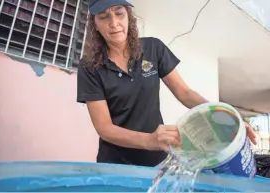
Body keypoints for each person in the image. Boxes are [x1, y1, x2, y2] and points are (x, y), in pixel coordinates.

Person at [76, 0, 257, 167]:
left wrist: (226, 115)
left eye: (119, 13)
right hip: (115, 165)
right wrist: (150, 140)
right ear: (95, 25)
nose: (114, 23)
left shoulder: (153, 48)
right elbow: (104, 128)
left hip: (158, 161)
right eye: (104, 16)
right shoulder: (89, 66)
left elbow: (184, 93)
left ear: (128, 16)